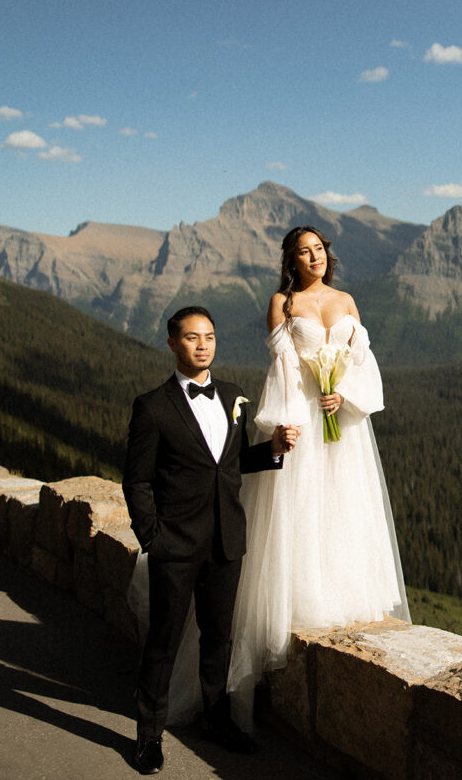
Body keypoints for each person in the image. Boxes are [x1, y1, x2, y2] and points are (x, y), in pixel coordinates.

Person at [227, 226, 411, 726]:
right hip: (303, 422)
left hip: (341, 423)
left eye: (320, 250)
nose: (315, 258)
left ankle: (340, 595)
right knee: (300, 508)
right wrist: (287, 424)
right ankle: (294, 606)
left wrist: (344, 395)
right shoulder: (282, 304)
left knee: (344, 507)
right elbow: (281, 370)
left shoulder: (347, 299)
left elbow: (363, 363)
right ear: (291, 260)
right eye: (304, 253)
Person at [122, 306, 298, 774]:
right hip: (174, 546)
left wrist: (274, 450)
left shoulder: (234, 397)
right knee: (163, 640)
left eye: (210, 337)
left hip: (227, 543)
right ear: (172, 344)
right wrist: (152, 537)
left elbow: (233, 463)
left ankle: (216, 720)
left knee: (219, 638)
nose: (203, 345)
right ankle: (148, 736)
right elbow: (136, 480)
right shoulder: (153, 406)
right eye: (192, 338)